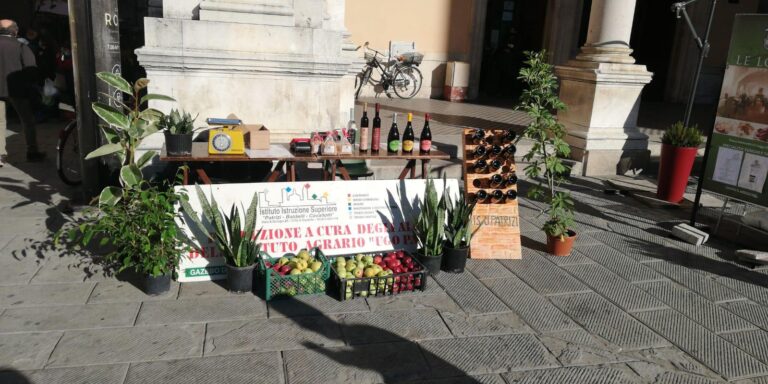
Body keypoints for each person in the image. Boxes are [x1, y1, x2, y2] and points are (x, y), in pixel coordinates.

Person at [0, 19, 45, 167]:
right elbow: (32, 70)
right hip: (17, 90)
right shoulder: (20, 46)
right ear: (15, 31)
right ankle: (32, 152)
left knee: (0, 123)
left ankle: (0, 156)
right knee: (27, 122)